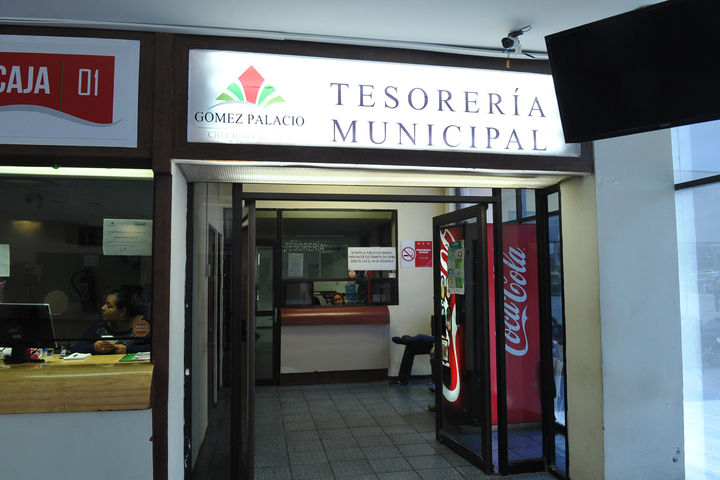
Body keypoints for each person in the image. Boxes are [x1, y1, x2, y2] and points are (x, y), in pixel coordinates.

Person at [70, 285, 150, 354]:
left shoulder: (143, 324)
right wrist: (93, 347)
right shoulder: (100, 326)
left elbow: (154, 347)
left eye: (109, 306)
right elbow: (76, 348)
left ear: (122, 311)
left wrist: (128, 350)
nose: (103, 308)